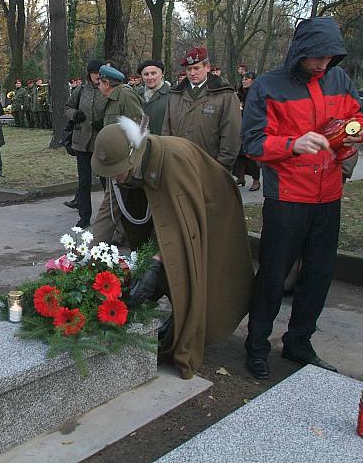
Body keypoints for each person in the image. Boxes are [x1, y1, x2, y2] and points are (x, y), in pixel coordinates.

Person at [240, 17, 363, 379]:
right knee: (274, 274)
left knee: (319, 274)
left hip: (328, 195)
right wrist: (293, 145)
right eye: (317, 58)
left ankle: (299, 342)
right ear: (300, 52)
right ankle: (257, 345)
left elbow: (355, 116)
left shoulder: (339, 80)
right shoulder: (267, 86)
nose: (323, 65)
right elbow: (252, 142)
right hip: (287, 196)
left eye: (330, 58)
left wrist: (354, 132)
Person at [91, 118, 253, 379]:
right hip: (178, 215)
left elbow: (182, 225)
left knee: (191, 272)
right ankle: (174, 315)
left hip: (211, 211)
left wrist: (156, 261)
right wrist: (86, 253)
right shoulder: (122, 169)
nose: (115, 177)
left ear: (133, 157)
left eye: (118, 170)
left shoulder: (173, 159)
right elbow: (107, 213)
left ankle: (187, 331)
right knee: (160, 268)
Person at [162, 46, 241, 170]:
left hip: (210, 167)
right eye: (189, 69)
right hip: (178, 165)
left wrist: (222, 165)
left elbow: (231, 133)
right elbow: (166, 130)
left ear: (207, 68)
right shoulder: (175, 95)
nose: (192, 73)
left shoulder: (225, 94)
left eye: (196, 68)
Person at [90, 65, 144, 244]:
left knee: (112, 204)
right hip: (115, 161)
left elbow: (140, 127)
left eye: (100, 83)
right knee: (115, 203)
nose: (98, 87)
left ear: (107, 83)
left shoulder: (125, 95)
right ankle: (120, 238)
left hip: (125, 163)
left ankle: (93, 248)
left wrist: (130, 160)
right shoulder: (112, 98)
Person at [64, 59, 107, 228]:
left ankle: (110, 216)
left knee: (106, 182)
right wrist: (75, 115)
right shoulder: (80, 90)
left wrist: (105, 122)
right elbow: (67, 108)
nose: (98, 76)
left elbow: (116, 111)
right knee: (84, 183)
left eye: (100, 73)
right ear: (89, 74)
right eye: (94, 73)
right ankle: (84, 216)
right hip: (81, 143)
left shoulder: (108, 88)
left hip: (101, 143)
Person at [233, 71, 261, 191]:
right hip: (239, 126)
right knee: (239, 155)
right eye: (243, 78)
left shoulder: (257, 94)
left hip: (253, 127)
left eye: (247, 78)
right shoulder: (239, 94)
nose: (244, 80)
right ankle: (240, 176)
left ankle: (256, 180)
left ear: (253, 81)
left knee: (251, 155)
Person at [135, 59, 170, 135]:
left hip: (163, 143)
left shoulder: (171, 96)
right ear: (142, 77)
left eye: (153, 73)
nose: (150, 78)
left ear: (161, 75)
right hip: (141, 143)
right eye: (146, 74)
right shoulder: (136, 95)